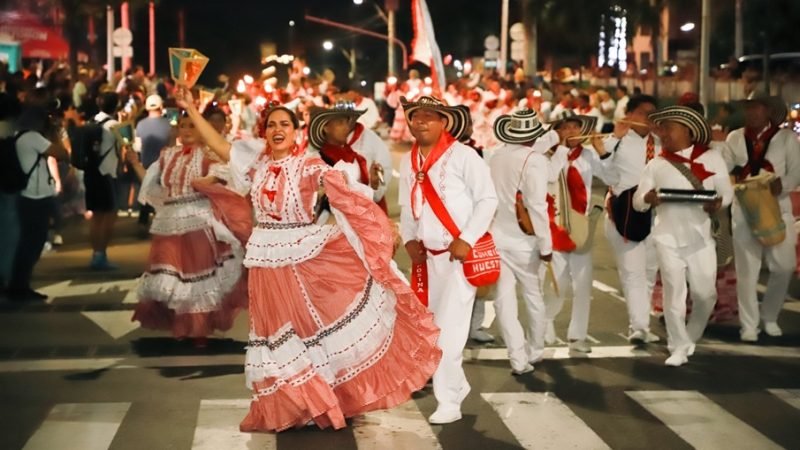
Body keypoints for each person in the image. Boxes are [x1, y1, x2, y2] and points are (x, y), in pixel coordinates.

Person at [177, 88, 441, 432]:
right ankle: (294, 403)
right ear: (264, 132)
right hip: (264, 261)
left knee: (307, 330)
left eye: (284, 124)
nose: (278, 129)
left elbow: (347, 195)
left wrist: (374, 226)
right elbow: (220, 145)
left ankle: (320, 399)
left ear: (295, 131)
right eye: (272, 125)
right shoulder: (257, 166)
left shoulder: (308, 165)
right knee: (275, 335)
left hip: (300, 257)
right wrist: (191, 108)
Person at [398, 95, 497, 424]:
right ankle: (457, 386)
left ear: (444, 122)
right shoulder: (408, 160)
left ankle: (449, 402)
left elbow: (488, 199)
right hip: (427, 260)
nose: (421, 121)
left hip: (458, 260)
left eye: (430, 116)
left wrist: (467, 239)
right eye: (416, 116)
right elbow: (407, 206)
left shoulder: (464, 156)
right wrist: (409, 239)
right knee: (431, 327)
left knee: (449, 333)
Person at [132, 111, 249, 347]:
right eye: (183, 126)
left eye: (192, 126)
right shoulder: (167, 155)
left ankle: (198, 329)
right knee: (173, 278)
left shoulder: (207, 156)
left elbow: (224, 176)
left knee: (197, 278)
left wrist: (207, 181)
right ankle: (183, 326)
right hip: (169, 224)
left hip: (198, 222)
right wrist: (134, 163)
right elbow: (151, 185)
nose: (186, 130)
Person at [633, 106, 733, 366]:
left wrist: (718, 203)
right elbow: (637, 201)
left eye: (669, 128)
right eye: (661, 128)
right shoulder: (656, 163)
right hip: (667, 238)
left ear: (688, 130)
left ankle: (690, 337)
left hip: (701, 238)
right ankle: (677, 346)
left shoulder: (712, 157)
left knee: (705, 294)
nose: (663, 133)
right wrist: (648, 198)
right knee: (674, 294)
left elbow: (727, 193)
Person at [723, 93, 800, 341]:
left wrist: (783, 184)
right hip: (744, 208)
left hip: (777, 208)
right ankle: (749, 325)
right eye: (748, 107)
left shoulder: (786, 138)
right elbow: (725, 171)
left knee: (785, 266)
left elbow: (796, 172)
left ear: (768, 111)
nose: (751, 112)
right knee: (747, 270)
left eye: (756, 108)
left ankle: (769, 316)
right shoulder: (735, 137)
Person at [488, 109, 556, 375]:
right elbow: (537, 206)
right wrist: (546, 245)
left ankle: (517, 357)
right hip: (525, 242)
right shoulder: (534, 160)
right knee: (533, 296)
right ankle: (535, 351)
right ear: (534, 135)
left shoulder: (496, 155)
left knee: (503, 300)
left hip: (497, 236)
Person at [596, 95, 661, 344]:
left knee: (648, 272)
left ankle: (640, 323)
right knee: (633, 272)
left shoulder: (661, 143)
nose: (648, 118)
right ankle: (639, 327)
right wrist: (614, 138)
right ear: (630, 114)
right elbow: (605, 175)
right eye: (643, 113)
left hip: (655, 215)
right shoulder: (615, 141)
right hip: (624, 214)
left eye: (652, 113)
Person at [542, 112, 605, 353]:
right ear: (557, 132)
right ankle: (547, 319)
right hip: (555, 223)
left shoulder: (588, 156)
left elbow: (612, 177)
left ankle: (578, 336)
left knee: (583, 284)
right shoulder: (547, 157)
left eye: (575, 127)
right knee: (557, 282)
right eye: (565, 127)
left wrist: (602, 152)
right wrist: (560, 151)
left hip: (581, 224)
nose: (571, 131)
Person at [7, 106, 68, 300]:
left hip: (27, 195)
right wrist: (54, 133)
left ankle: (19, 284)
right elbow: (62, 153)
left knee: (29, 241)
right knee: (33, 242)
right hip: (36, 196)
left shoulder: (17, 136)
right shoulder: (32, 137)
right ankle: (19, 286)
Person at [306, 102, 392, 213]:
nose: (346, 127)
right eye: (340, 123)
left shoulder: (354, 154)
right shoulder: (318, 160)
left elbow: (365, 194)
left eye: (347, 122)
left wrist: (374, 184)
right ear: (326, 127)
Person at [86, 92, 123, 270]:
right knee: (110, 215)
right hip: (108, 174)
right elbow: (125, 146)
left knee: (96, 216)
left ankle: (96, 254)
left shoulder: (91, 122)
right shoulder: (114, 125)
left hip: (91, 173)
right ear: (116, 106)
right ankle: (101, 255)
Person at [135, 94, 172, 234]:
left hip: (145, 164)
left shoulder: (140, 124)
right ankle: (162, 224)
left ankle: (142, 223)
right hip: (164, 164)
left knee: (146, 193)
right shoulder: (168, 124)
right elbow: (173, 144)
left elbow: (137, 147)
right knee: (162, 195)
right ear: (161, 107)